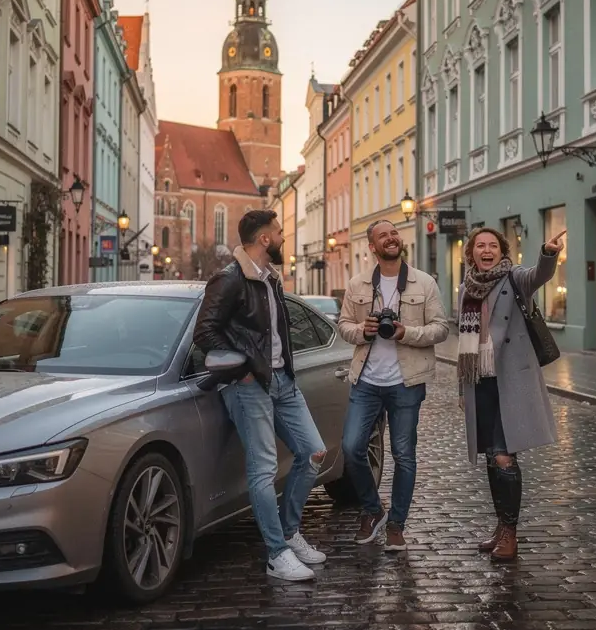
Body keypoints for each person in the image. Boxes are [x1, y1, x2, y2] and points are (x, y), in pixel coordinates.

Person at [193, 209, 328, 582]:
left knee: (313, 452)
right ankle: (276, 553)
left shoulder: (270, 277)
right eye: (279, 232)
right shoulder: (229, 279)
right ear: (265, 238)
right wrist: (243, 370)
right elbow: (204, 333)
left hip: (282, 380)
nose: (284, 237)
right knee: (264, 467)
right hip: (248, 385)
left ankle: (289, 532)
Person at [337, 220, 449, 552]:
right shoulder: (358, 284)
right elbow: (343, 326)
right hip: (366, 381)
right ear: (372, 247)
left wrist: (405, 333)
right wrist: (363, 330)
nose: (391, 238)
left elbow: (441, 328)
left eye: (394, 233)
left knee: (404, 456)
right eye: (383, 235)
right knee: (351, 448)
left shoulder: (424, 283)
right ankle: (374, 510)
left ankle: (397, 525)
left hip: (406, 383)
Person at [458, 225, 566, 562]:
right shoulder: (466, 288)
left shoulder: (515, 277)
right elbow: (463, 345)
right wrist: (462, 389)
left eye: (493, 245)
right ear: (471, 253)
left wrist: (548, 254)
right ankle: (500, 526)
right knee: (492, 456)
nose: (487, 251)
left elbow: (538, 275)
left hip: (510, 380)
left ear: (502, 252)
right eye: (480, 246)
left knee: (504, 456)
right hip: (480, 381)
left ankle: (510, 533)